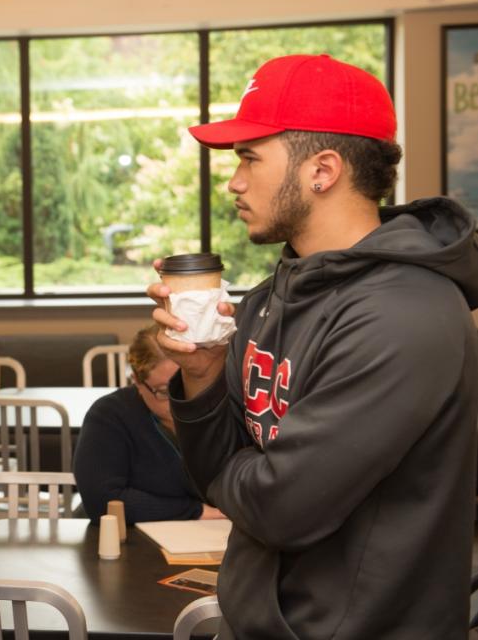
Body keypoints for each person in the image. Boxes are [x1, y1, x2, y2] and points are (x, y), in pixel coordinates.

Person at [148, 53, 478, 640]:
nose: (234, 180)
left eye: (250, 158)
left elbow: (281, 512)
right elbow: (215, 479)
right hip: (255, 621)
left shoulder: (404, 313)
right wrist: (201, 373)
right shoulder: (266, 297)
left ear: (321, 170)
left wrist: (244, 472)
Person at [72, 324, 224, 524]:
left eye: (187, 385)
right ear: (137, 381)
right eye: (163, 391)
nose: (180, 401)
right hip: (128, 538)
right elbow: (102, 501)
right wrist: (195, 511)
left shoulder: (223, 406)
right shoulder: (109, 415)